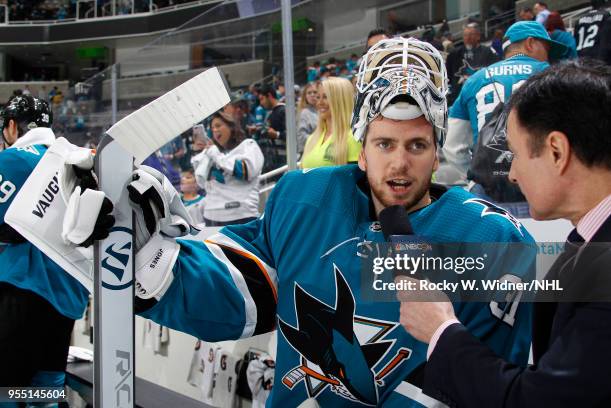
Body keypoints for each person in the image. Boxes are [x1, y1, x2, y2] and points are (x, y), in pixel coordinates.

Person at [57, 37, 535, 407]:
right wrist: (150, 261)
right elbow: (246, 291)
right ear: (361, 149)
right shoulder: (306, 197)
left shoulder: (488, 240)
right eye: (385, 144)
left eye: (416, 146)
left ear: (437, 154)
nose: (399, 166)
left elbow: (492, 387)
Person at [398, 59, 611, 408]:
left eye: (514, 154)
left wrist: (440, 330)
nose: (511, 174)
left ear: (557, 151)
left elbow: (541, 400)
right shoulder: (586, 245)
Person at [0, 95, 89, 391]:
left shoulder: (11, 160)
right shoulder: (77, 160)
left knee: (7, 389)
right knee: (46, 388)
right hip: (70, 296)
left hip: (24, 291)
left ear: (12, 127)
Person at [437, 21, 566, 216]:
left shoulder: (475, 79)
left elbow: (452, 144)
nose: (548, 56)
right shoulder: (554, 75)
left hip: (487, 190)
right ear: (530, 43)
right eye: (547, 48)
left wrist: (474, 174)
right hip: (541, 186)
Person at [193, 111, 264, 226]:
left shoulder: (248, 145)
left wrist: (216, 156)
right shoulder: (215, 153)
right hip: (211, 217)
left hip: (241, 217)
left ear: (231, 127)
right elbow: (201, 183)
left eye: (218, 125)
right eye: (212, 128)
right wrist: (201, 154)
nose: (215, 130)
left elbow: (245, 171)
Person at [301, 77, 361, 168]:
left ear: (340, 100)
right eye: (318, 97)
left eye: (325, 97)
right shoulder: (312, 139)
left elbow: (354, 179)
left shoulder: (354, 137)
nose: (319, 102)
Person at [445, 22, 499, 105]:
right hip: (459, 96)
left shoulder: (488, 52)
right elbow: (447, 75)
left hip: (481, 95)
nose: (468, 37)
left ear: (478, 36)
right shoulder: (454, 54)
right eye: (465, 35)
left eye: (471, 34)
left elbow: (496, 70)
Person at [257, 84, 286, 172]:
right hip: (272, 159)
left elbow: (292, 135)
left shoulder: (284, 110)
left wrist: (276, 134)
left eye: (262, 99)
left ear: (269, 96)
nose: (261, 103)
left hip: (283, 159)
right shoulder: (270, 113)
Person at [573, 0, 611, 64]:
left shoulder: (579, 20)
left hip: (580, 58)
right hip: (596, 57)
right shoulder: (606, 16)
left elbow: (575, 41)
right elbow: (606, 41)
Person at [296, 82, 319, 156]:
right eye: (309, 93)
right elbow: (302, 136)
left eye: (315, 92)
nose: (312, 95)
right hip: (310, 153)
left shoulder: (324, 110)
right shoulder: (304, 113)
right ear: (305, 96)